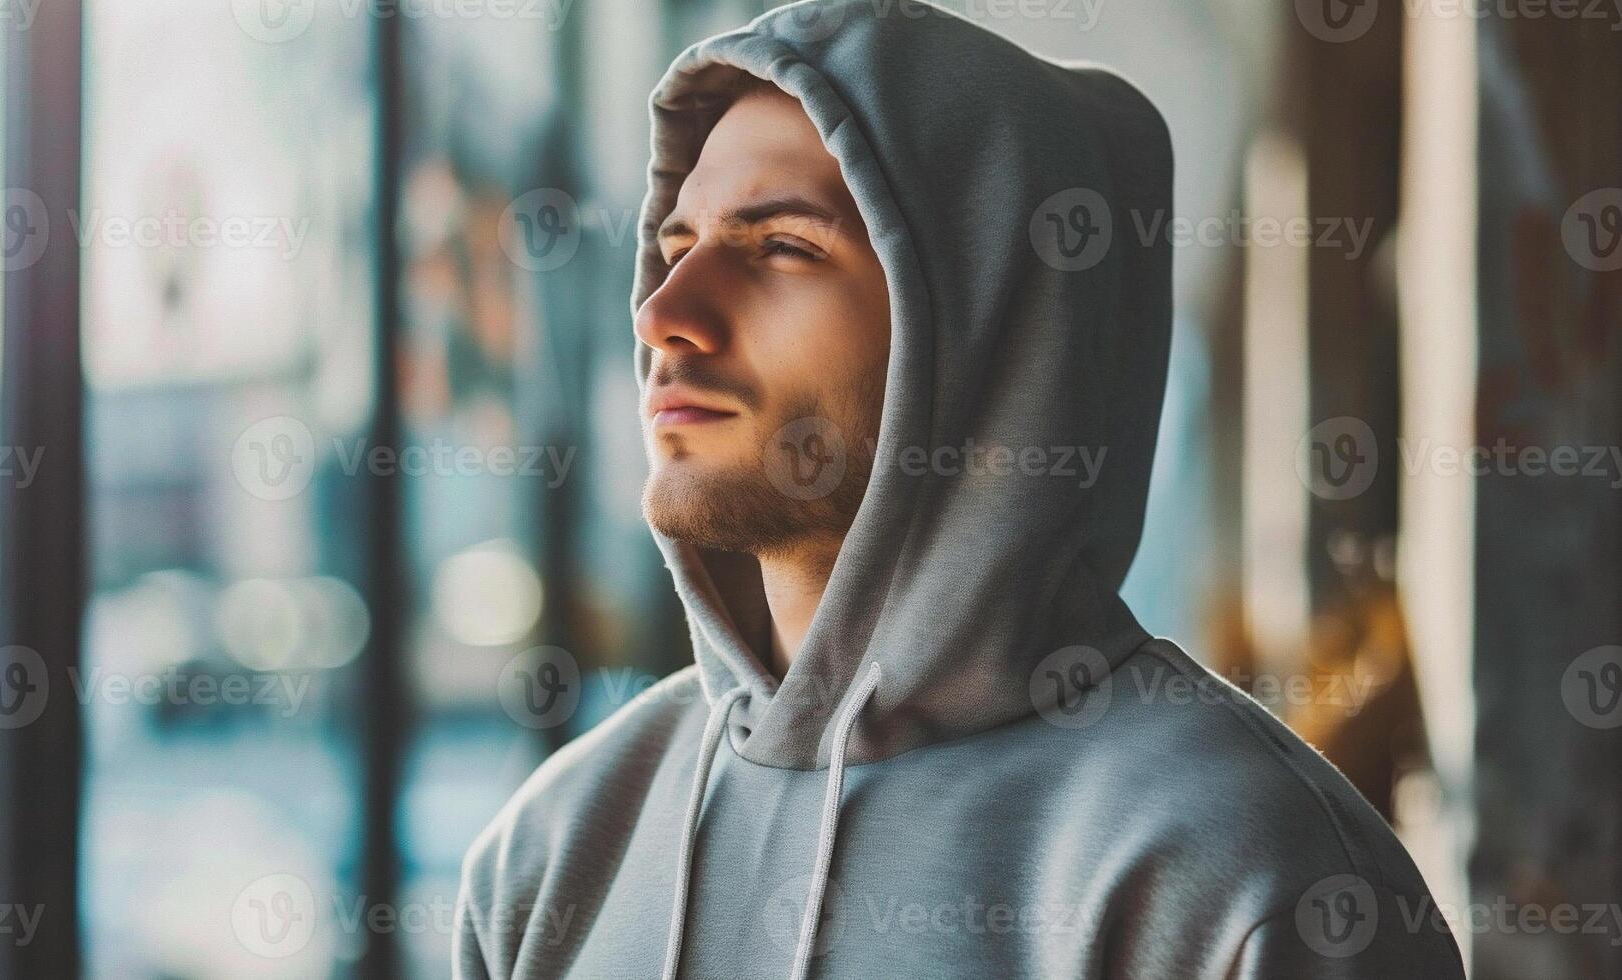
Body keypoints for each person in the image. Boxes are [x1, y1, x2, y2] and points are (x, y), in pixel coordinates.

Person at [456, 0, 1466, 976]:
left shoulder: (1252, 882)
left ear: (989, 331)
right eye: (676, 249)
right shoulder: (552, 850)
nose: (666, 312)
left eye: (781, 248)